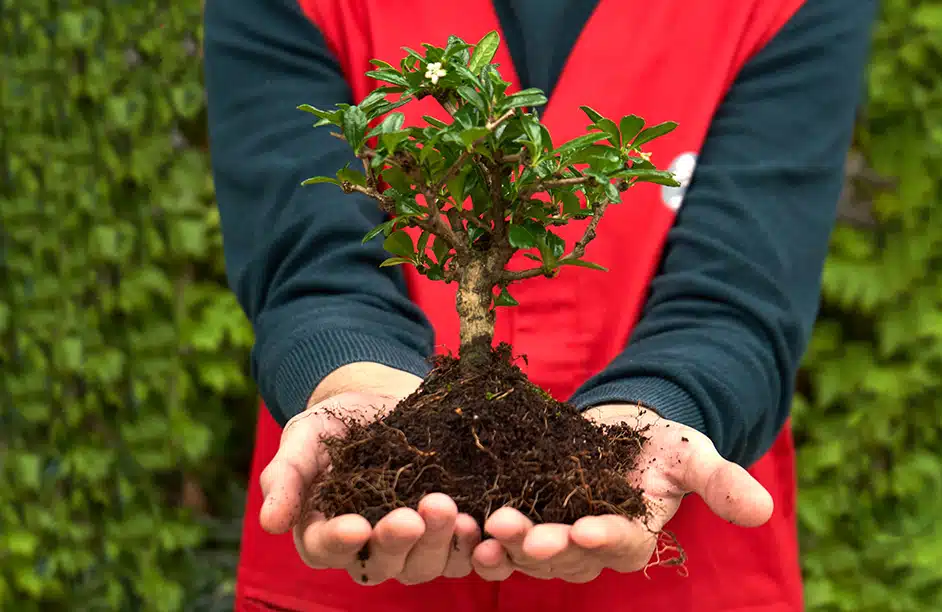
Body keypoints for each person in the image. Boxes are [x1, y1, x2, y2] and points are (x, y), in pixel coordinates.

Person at [203, 0, 876, 610]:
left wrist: (661, 407)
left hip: (671, 579)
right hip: (362, 573)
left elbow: (743, 289)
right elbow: (305, 251)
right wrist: (353, 374)